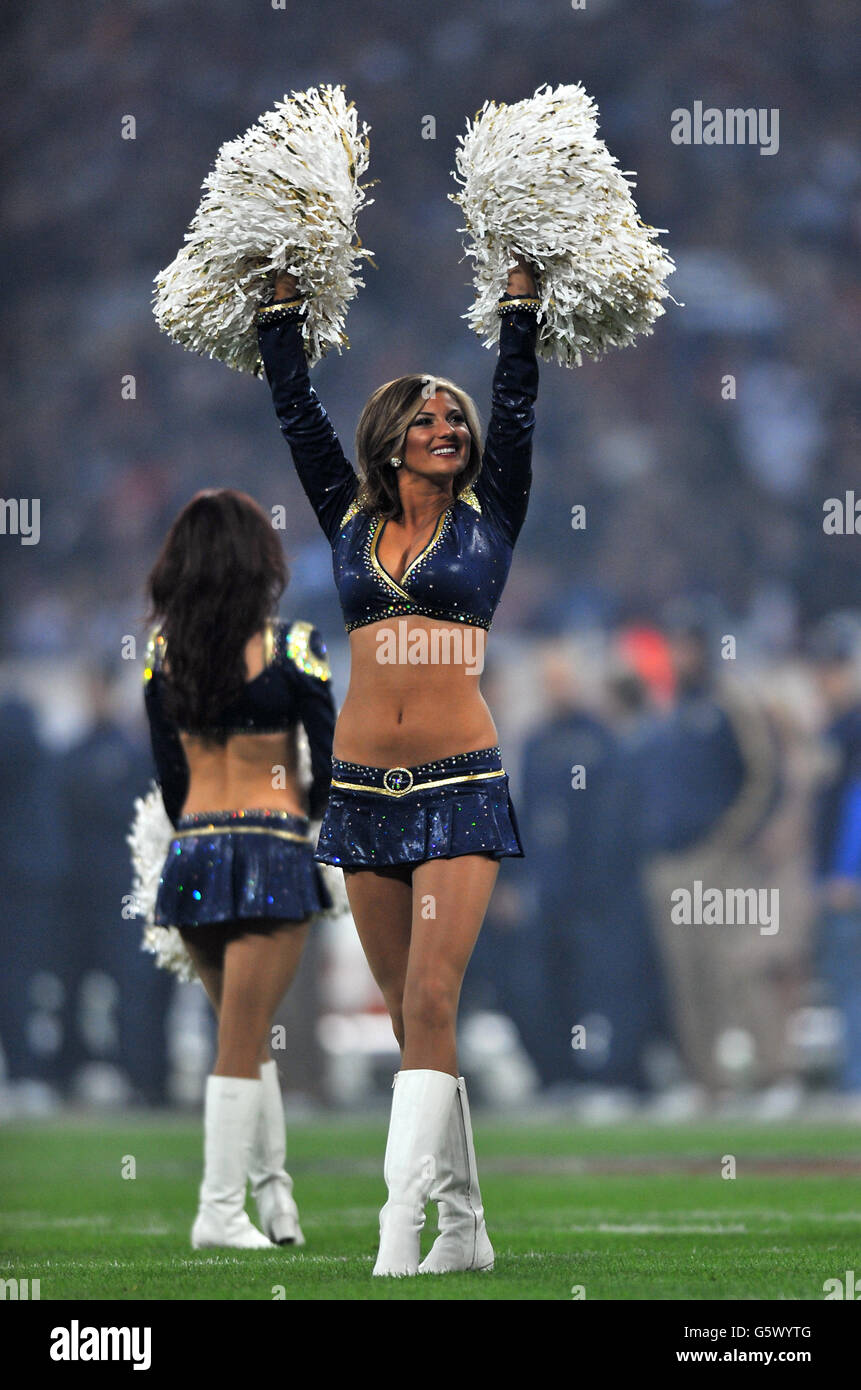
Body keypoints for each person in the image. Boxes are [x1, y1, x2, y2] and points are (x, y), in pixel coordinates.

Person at [256, 259, 540, 1275]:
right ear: (390, 438)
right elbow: (296, 415)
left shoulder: (492, 512)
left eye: (454, 420)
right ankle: (465, 1227)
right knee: (412, 1012)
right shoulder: (345, 514)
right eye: (427, 419)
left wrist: (519, 309)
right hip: (363, 795)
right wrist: (280, 315)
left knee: (430, 1001)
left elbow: (517, 398)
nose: (448, 428)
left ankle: (398, 1231)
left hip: (461, 782)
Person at [143, 488, 336, 1248]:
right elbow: (328, 769)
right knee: (241, 1037)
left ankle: (274, 1197)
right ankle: (218, 1212)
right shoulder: (294, 647)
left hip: (191, 855)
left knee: (242, 1033)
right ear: (262, 562)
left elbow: (168, 780)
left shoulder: (162, 657)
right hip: (268, 852)